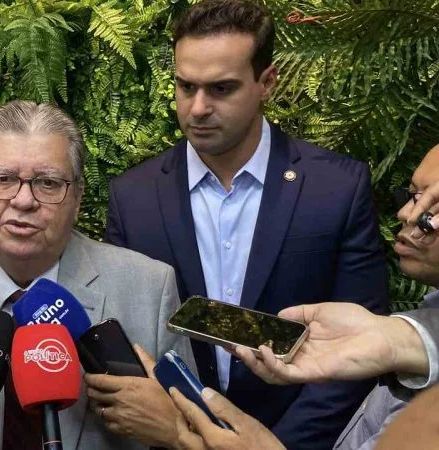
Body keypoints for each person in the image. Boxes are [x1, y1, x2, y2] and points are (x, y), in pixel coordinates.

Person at [104, 1, 387, 447]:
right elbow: (128, 340)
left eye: (221, 88)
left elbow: (363, 344)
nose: (198, 107)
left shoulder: (336, 188)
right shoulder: (132, 198)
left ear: (266, 82)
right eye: (186, 86)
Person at [163, 143, 439, 450]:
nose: (407, 214)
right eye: (411, 196)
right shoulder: (414, 329)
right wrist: (401, 339)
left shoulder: (336, 184)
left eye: (432, 207)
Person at [0, 100, 195, 450]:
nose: (24, 201)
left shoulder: (150, 288)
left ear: (78, 197)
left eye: (48, 183)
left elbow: (196, 434)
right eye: (4, 179)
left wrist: (172, 428)